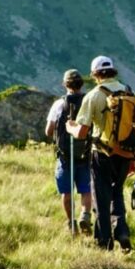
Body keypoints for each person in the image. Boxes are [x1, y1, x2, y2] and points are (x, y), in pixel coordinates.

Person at [66, 55, 135, 252]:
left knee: (100, 198)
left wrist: (69, 127)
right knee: (117, 192)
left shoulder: (94, 96)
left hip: (103, 153)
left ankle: (104, 242)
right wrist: (133, 158)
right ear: (112, 71)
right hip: (125, 153)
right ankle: (122, 230)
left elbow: (81, 133)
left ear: (95, 74)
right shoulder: (128, 91)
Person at [45, 69, 93, 232]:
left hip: (65, 155)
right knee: (86, 189)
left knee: (66, 191)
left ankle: (71, 222)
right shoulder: (89, 101)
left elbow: (49, 130)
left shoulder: (59, 104)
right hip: (86, 153)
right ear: (82, 83)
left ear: (65, 84)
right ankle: (85, 215)